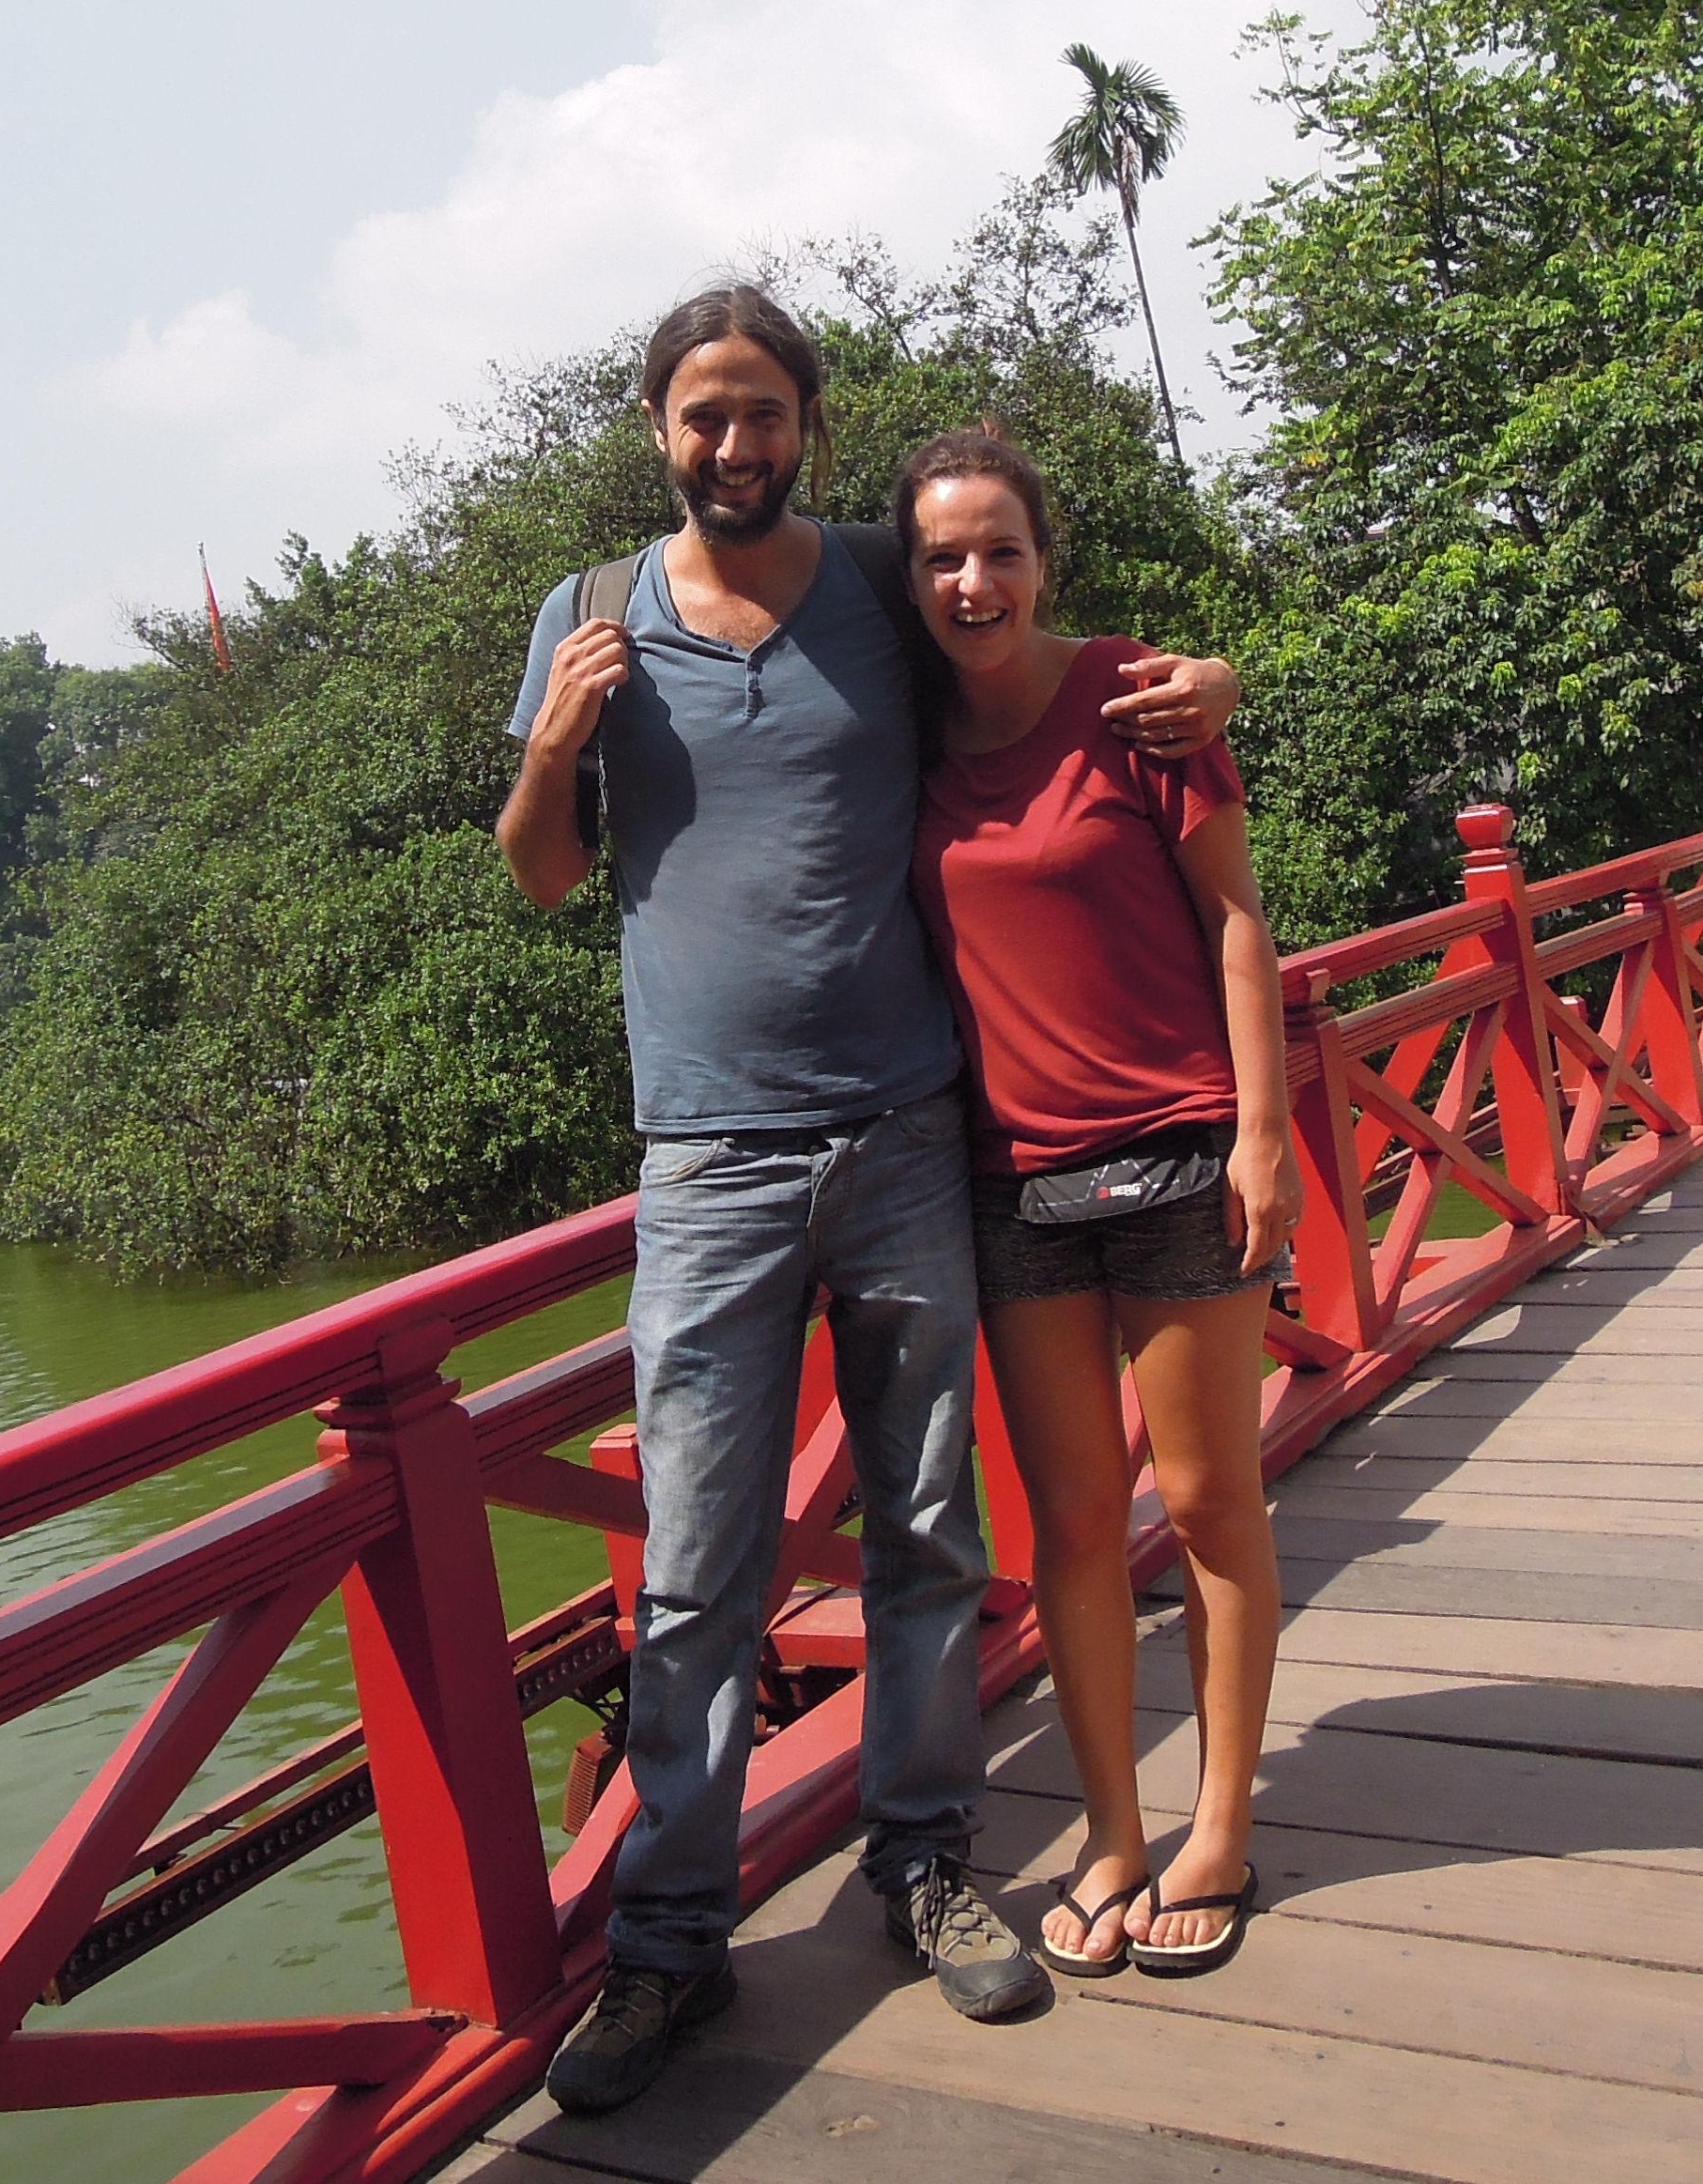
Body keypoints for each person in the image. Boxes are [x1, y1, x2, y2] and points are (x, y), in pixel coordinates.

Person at [499, 285, 1241, 2112]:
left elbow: (1024, 655)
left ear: (805, 428)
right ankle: (667, 1945)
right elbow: (540, 875)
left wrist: (1206, 684)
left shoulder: (876, 586)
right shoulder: (587, 617)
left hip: (910, 1133)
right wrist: (552, 743)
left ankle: (920, 1864)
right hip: (709, 1158)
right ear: (657, 429)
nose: (733, 443)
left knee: (926, 1533)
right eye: (702, 413)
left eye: (762, 411)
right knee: (698, 1571)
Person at [895, 429, 1297, 1987]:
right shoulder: (907, 732)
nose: (974, 582)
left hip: (1183, 1152)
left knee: (1206, 1503)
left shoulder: (1138, 696)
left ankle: (1221, 1827)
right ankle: (1115, 1831)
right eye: (942, 558)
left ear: (1044, 559)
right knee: (1071, 1524)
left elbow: (1239, 919)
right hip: (1014, 1182)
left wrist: (1263, 1134)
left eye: (1000, 549)